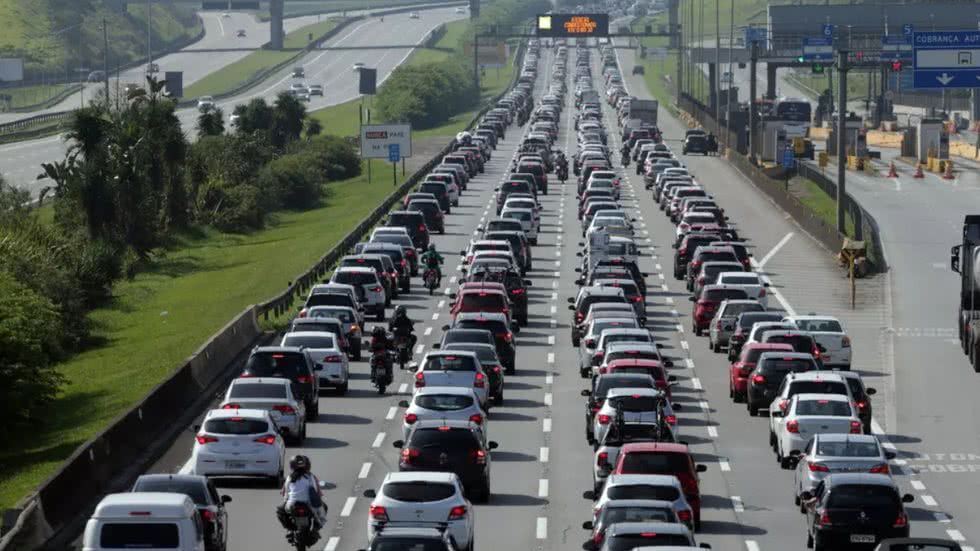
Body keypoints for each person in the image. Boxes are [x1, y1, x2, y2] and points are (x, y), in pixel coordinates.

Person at [277, 455, 326, 540]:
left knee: (280, 511)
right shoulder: (310, 477)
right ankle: (315, 529)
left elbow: (285, 493)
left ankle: (290, 529)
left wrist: (286, 501)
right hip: (309, 506)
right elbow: (316, 492)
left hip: (292, 505)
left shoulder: (289, 477)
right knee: (323, 509)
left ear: (291, 466)